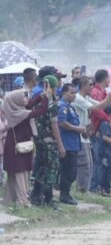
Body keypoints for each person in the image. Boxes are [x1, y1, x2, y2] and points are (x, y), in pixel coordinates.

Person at [2, 88, 49, 207]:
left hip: (17, 145)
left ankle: (10, 199)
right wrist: (46, 99)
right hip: (17, 147)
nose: (26, 99)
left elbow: (29, 105)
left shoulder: (15, 110)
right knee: (20, 173)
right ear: (16, 101)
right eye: (23, 97)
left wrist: (39, 98)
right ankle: (22, 200)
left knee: (15, 174)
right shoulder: (20, 114)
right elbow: (39, 111)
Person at [74, 76, 111, 194]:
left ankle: (84, 189)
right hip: (78, 134)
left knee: (89, 165)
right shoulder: (78, 98)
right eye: (90, 84)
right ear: (83, 86)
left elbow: (102, 106)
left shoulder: (86, 97)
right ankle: (82, 190)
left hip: (85, 135)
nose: (92, 87)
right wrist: (109, 97)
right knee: (85, 165)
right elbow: (97, 108)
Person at [31, 76, 67, 207]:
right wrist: (60, 145)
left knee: (40, 167)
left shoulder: (38, 99)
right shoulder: (51, 103)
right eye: (57, 85)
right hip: (49, 142)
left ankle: (36, 196)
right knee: (51, 169)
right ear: (52, 87)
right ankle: (48, 198)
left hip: (39, 140)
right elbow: (54, 125)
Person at [58, 83, 84, 206]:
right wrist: (77, 129)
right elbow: (62, 123)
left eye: (75, 93)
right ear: (64, 93)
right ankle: (64, 194)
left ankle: (66, 193)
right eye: (71, 93)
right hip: (66, 143)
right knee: (68, 171)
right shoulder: (62, 106)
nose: (74, 95)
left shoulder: (70, 107)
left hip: (73, 143)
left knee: (72, 171)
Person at [93, 105, 111, 197]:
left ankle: (105, 189)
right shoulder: (105, 123)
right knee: (107, 169)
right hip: (104, 149)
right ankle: (104, 189)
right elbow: (105, 137)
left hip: (105, 149)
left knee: (107, 169)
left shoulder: (106, 123)